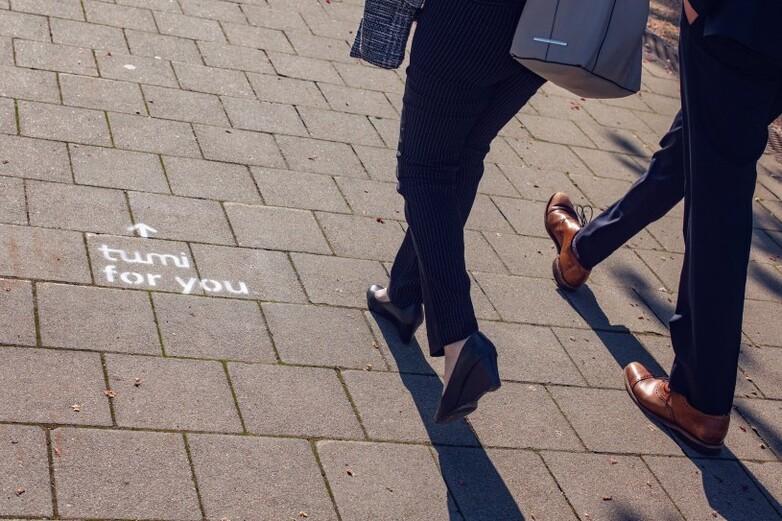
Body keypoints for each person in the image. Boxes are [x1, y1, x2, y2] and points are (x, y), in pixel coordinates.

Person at [546, 0, 782, 453]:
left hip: (737, 20)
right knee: (690, 152)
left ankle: (699, 401)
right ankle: (580, 252)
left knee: (718, 204)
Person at [353, 0, 546, 423]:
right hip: (549, 28)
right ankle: (403, 295)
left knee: (426, 170)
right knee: (462, 153)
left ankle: (459, 338)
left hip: (469, 19)